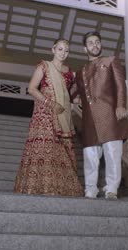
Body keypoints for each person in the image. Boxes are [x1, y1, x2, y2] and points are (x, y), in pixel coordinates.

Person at [14, 39, 83, 197]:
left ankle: (60, 187)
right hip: (44, 114)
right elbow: (31, 89)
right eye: (60, 49)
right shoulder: (44, 66)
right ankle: (37, 186)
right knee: (44, 149)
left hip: (62, 116)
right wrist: (50, 103)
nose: (63, 53)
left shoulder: (69, 72)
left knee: (61, 151)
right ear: (53, 50)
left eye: (66, 50)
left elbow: (69, 95)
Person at [71, 31, 128, 199]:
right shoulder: (81, 71)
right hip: (90, 119)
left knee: (113, 153)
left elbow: (121, 86)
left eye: (97, 42)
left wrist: (120, 105)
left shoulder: (111, 61)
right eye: (90, 43)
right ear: (85, 49)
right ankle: (90, 189)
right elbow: (72, 91)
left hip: (110, 115)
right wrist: (75, 97)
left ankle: (111, 188)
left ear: (101, 44)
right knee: (90, 155)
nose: (95, 45)